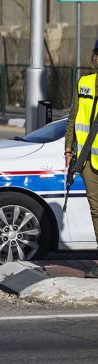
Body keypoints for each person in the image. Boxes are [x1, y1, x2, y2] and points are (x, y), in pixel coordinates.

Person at [65, 41, 98, 279]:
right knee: (96, 210)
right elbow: (73, 117)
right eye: (97, 54)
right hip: (88, 160)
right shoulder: (84, 83)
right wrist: (68, 149)